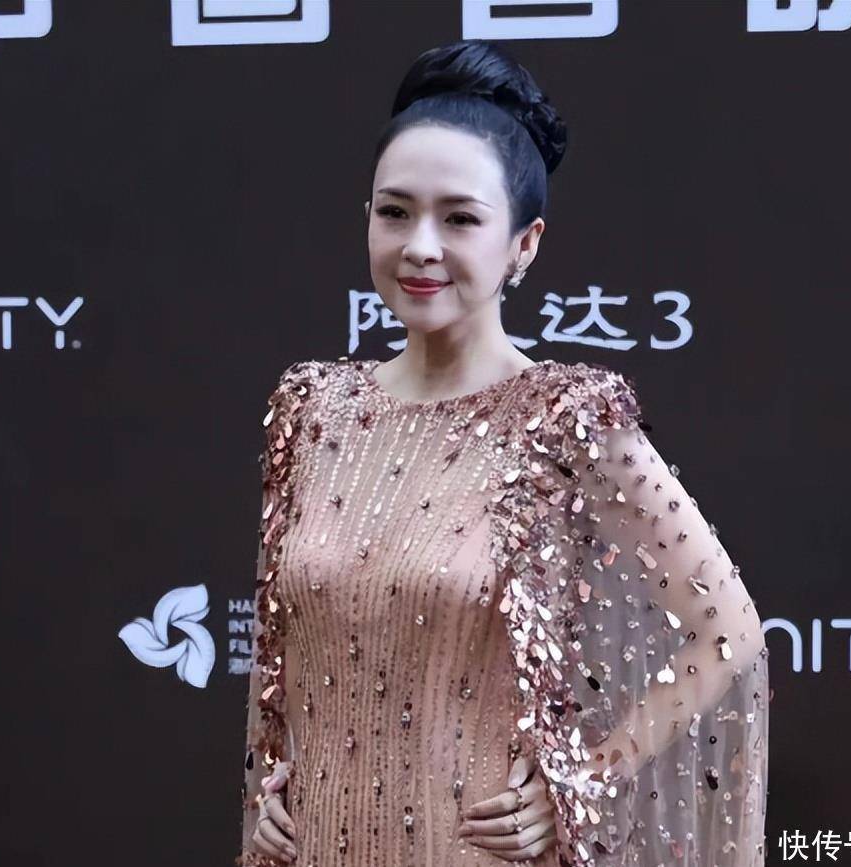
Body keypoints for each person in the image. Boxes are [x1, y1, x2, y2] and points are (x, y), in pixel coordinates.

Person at [238, 40, 769, 867]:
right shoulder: (312, 410)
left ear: (524, 244)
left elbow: (728, 631)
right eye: (394, 212)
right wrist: (269, 785)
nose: (420, 246)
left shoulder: (566, 419)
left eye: (460, 218)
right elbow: (280, 657)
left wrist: (579, 779)